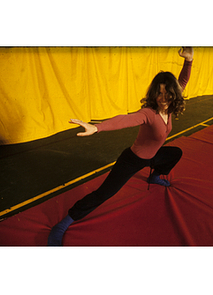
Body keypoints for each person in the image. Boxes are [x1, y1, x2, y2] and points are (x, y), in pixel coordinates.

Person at [48, 47, 194, 246]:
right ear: (154, 94)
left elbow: (183, 81)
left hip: (153, 155)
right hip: (133, 159)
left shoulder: (169, 107)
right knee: (104, 193)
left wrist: (189, 61)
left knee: (175, 153)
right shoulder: (149, 113)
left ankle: (154, 175)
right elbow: (126, 120)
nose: (162, 98)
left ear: (173, 94)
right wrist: (97, 128)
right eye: (158, 93)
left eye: (167, 93)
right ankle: (63, 224)